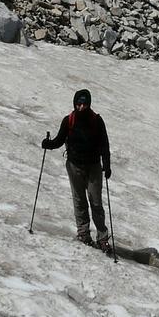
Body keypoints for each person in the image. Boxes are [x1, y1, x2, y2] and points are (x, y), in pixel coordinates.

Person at [42, 89, 112, 250]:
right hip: (74, 166)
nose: (81, 107)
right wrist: (49, 144)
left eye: (84, 104)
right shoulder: (69, 120)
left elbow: (104, 145)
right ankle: (83, 234)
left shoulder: (96, 121)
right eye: (78, 103)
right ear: (75, 103)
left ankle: (102, 238)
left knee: (96, 202)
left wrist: (106, 165)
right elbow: (59, 141)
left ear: (89, 104)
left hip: (93, 167)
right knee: (79, 201)